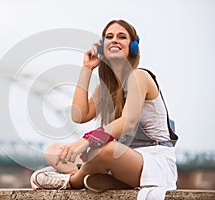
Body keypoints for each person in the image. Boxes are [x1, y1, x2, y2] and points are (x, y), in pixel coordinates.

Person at [30, 19, 178, 195]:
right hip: (120, 161)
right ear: (102, 46)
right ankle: (106, 180)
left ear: (133, 47)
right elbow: (79, 115)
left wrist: (85, 142)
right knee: (54, 151)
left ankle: (72, 181)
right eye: (109, 37)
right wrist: (87, 68)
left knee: (105, 149)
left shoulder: (139, 76)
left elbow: (128, 122)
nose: (115, 40)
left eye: (121, 37)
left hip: (152, 161)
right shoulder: (106, 88)